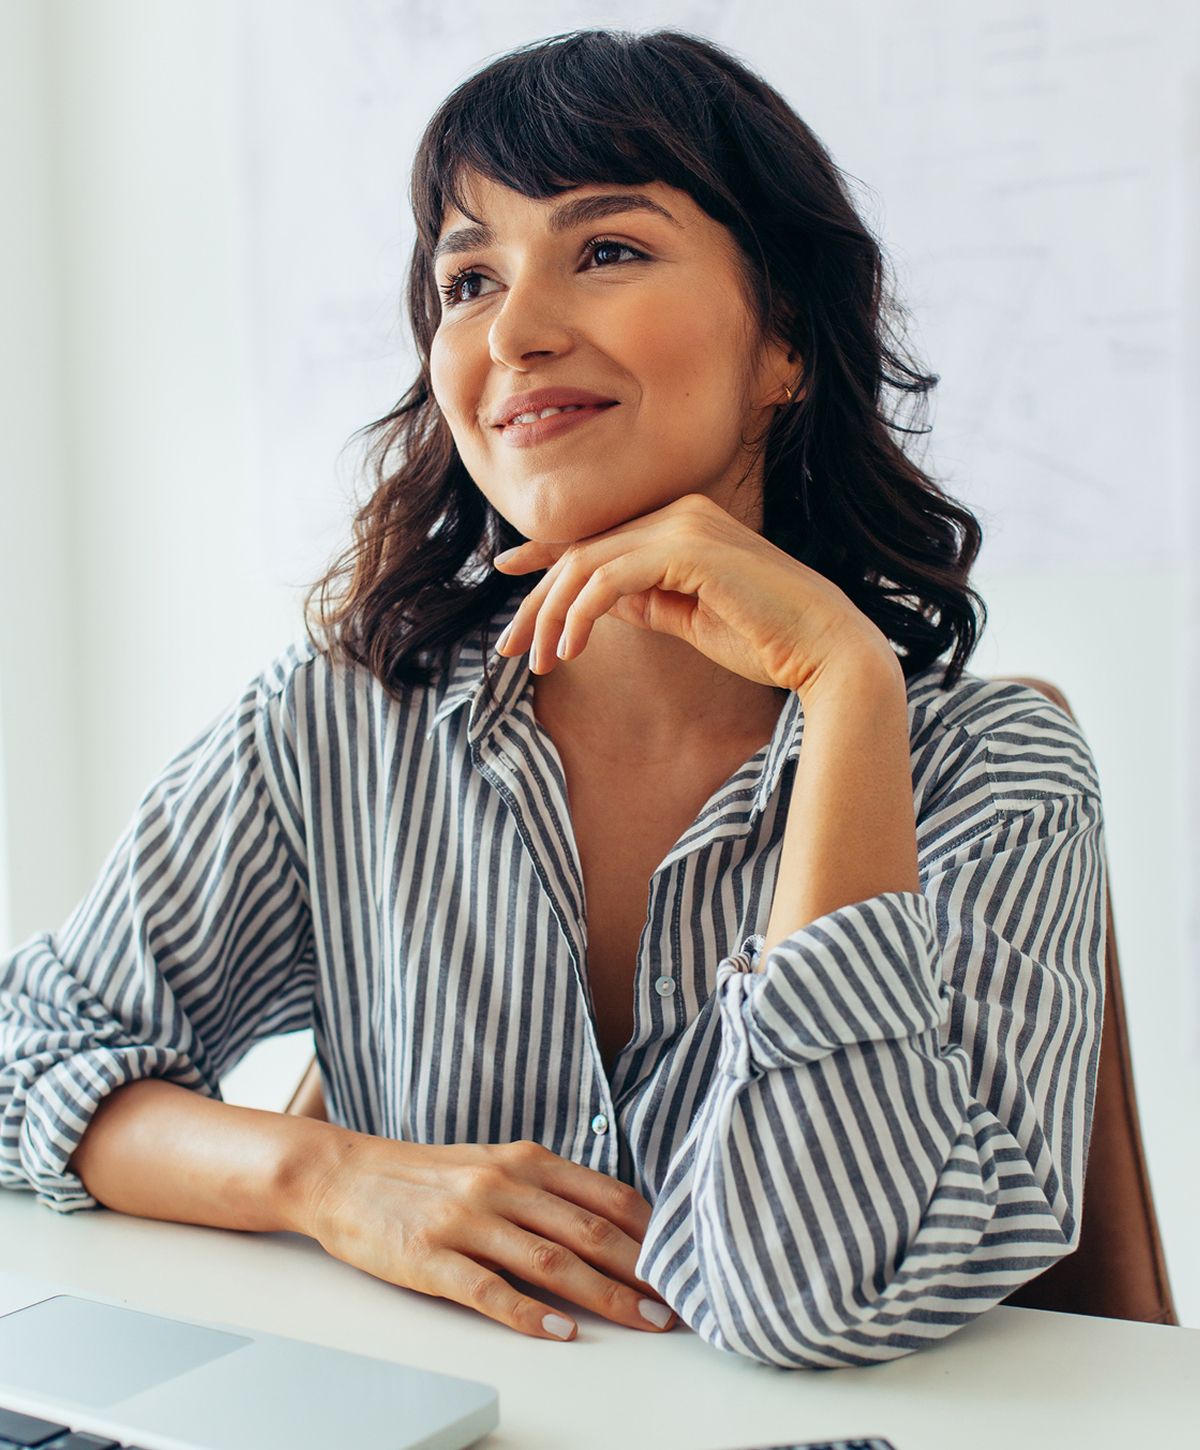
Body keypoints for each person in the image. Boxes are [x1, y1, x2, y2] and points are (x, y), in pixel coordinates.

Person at [0, 28, 1106, 1371]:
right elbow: (28, 1057)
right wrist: (326, 1178)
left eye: (609, 249)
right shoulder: (343, 721)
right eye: (469, 278)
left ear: (789, 344)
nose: (514, 332)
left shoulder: (998, 775)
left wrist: (848, 686)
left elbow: (815, 1292)